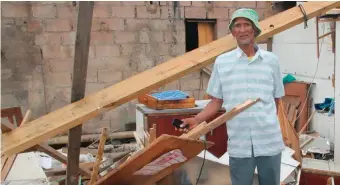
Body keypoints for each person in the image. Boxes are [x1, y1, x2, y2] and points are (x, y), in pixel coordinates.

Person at [178, 8, 285, 185]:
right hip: (239, 143)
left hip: (269, 141)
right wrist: (196, 119)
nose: (242, 29)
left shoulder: (271, 61)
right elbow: (216, 101)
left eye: (247, 25)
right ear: (233, 32)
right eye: (238, 26)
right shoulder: (222, 62)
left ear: (255, 29)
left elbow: (276, 99)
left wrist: (265, 123)